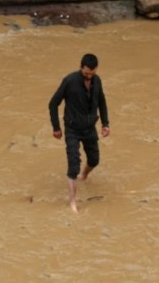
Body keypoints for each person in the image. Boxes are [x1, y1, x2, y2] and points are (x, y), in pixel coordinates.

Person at [49, 53, 110, 213]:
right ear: (80, 68)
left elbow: (102, 101)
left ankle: (84, 175)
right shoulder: (69, 81)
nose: (89, 76)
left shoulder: (97, 81)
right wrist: (56, 127)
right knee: (73, 165)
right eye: (86, 73)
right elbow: (53, 103)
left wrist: (105, 124)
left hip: (90, 128)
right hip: (73, 129)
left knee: (94, 160)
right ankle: (72, 202)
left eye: (92, 73)